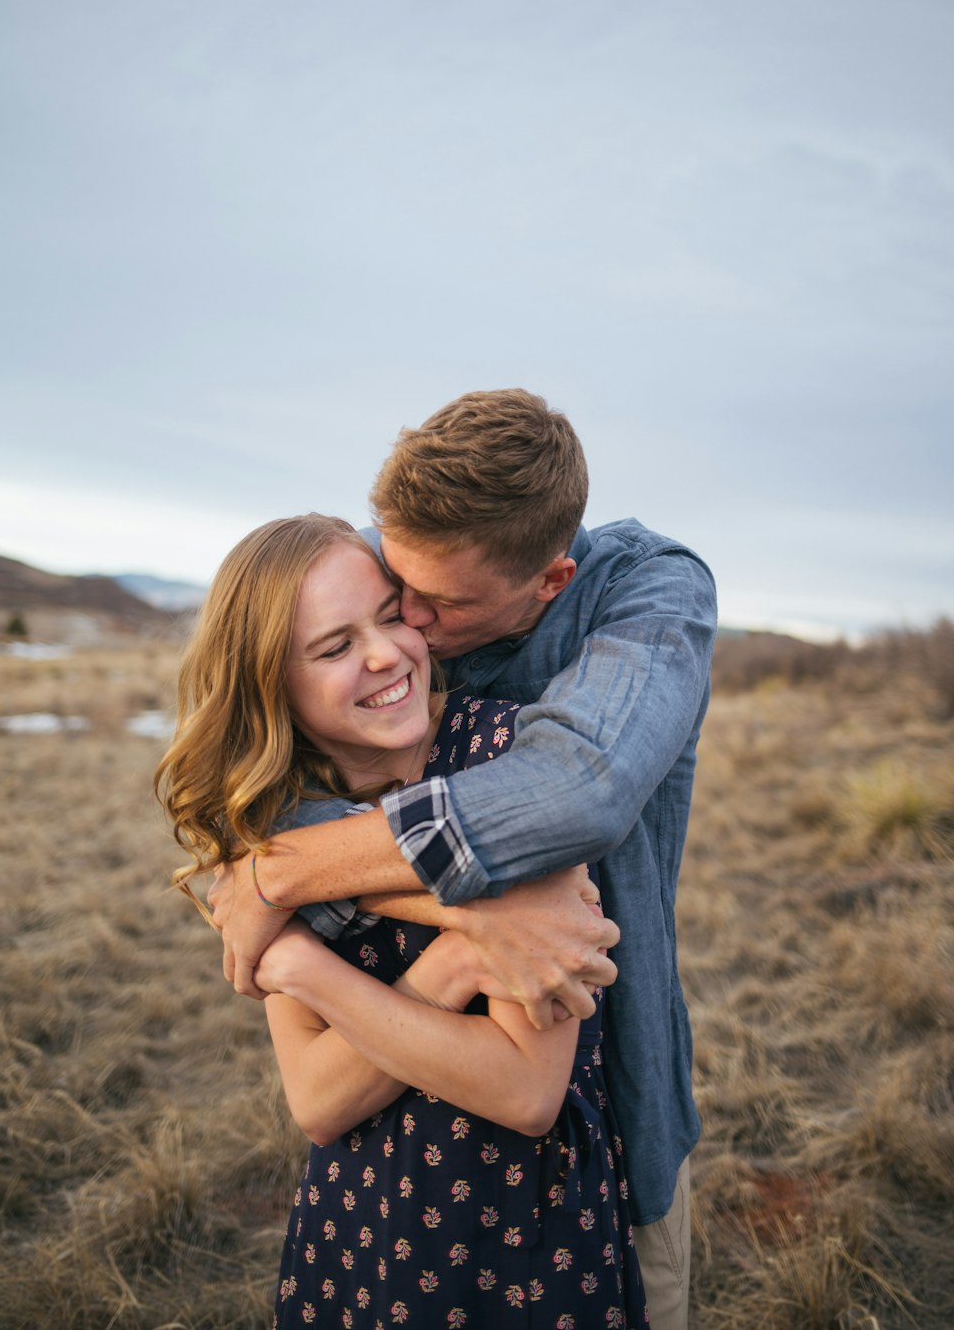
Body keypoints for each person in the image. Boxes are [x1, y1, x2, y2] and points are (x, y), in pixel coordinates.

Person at [209, 390, 717, 1330]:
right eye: (393, 584)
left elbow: (576, 796)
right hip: (381, 1204)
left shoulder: (645, 597)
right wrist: (465, 923)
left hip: (592, 1159)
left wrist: (280, 877)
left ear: (549, 582)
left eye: (437, 607)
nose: (407, 627)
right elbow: (265, 727)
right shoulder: (382, 576)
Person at [157, 514, 648, 1327]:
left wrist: (303, 965)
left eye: (391, 616)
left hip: (527, 1230)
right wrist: (452, 968)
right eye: (334, 647)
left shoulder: (510, 768)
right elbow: (317, 1101)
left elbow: (526, 1088)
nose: (386, 654)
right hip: (362, 1227)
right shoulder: (277, 827)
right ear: (272, 684)